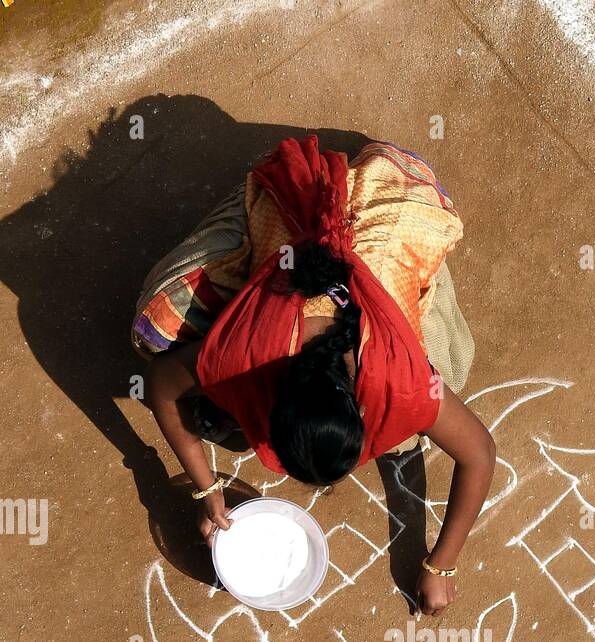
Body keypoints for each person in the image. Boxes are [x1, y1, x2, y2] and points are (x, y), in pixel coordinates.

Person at [134, 135, 494, 616]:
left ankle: (375, 200)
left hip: (384, 212)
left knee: (432, 394)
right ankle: (249, 216)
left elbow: (480, 454)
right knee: (152, 330)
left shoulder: (398, 380)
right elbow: (161, 380)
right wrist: (207, 488)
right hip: (307, 214)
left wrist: (442, 563)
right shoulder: (247, 353)